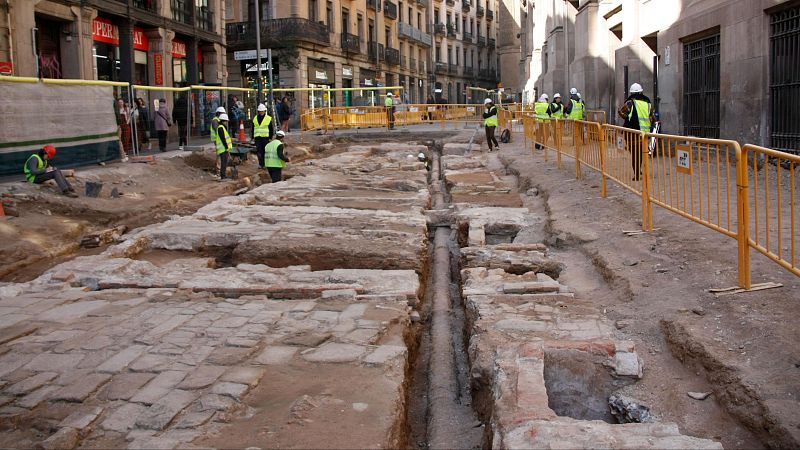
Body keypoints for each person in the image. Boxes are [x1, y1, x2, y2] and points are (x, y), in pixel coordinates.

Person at [617, 82, 656, 181]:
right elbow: (653, 118)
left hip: (633, 133)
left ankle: (637, 174)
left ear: (631, 93)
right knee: (641, 152)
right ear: (641, 92)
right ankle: (639, 169)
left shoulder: (630, 103)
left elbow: (624, 115)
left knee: (634, 153)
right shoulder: (648, 104)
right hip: (645, 133)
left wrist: (619, 113)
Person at [252, 103, 273, 168]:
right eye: (260, 111)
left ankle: (265, 164)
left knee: (265, 151)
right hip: (257, 137)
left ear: (264, 111)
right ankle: (261, 164)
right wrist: (252, 137)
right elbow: (253, 128)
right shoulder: (255, 118)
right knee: (259, 151)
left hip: (265, 137)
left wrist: (270, 137)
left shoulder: (268, 118)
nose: (261, 112)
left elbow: (271, 128)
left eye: (262, 111)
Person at [215, 113, 233, 180]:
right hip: (223, 148)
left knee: (224, 162)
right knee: (224, 163)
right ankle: (223, 176)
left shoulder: (222, 128)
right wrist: (226, 147)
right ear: (224, 121)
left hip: (223, 148)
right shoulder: (221, 128)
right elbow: (223, 139)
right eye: (226, 121)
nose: (227, 123)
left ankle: (223, 176)